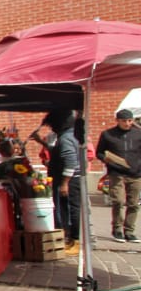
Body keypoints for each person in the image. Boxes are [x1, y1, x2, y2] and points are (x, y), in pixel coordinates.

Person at [96, 109, 141, 242]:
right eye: (124, 121)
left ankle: (130, 231)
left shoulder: (138, 134)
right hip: (117, 173)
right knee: (118, 201)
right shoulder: (108, 134)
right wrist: (109, 162)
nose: (127, 124)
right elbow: (100, 153)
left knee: (133, 203)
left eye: (129, 121)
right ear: (117, 121)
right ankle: (117, 229)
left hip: (135, 173)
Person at [46, 108, 82, 256]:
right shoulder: (70, 135)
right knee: (69, 209)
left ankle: (74, 240)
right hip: (72, 178)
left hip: (70, 179)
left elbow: (70, 161)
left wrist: (65, 183)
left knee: (69, 209)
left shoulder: (66, 138)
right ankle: (72, 239)